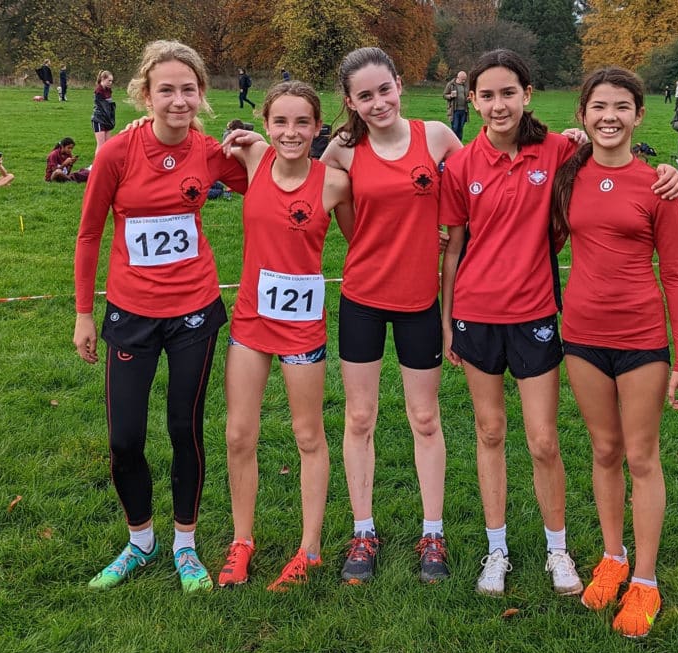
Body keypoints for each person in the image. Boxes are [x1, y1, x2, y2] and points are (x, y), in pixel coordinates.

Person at [438, 48, 678, 598]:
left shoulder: (560, 152)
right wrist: (447, 320)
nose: (498, 105)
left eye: (509, 93)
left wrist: (664, 169)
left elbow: (613, 165)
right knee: (490, 432)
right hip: (476, 316)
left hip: (538, 316)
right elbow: (452, 250)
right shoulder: (460, 165)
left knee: (545, 441)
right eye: (487, 95)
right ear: (472, 100)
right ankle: (495, 549)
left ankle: (558, 550)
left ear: (528, 95)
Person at [73, 39, 250, 593]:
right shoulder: (116, 154)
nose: (178, 100)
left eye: (188, 89)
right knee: (124, 437)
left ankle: (185, 543)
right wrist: (84, 313)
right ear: (145, 95)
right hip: (131, 312)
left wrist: (259, 148)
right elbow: (89, 235)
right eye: (166, 89)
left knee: (184, 428)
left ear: (202, 94)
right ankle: (139, 540)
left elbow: (271, 185)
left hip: (194, 309)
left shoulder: (208, 151)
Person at [550, 66, 678, 639]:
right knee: (604, 450)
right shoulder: (567, 175)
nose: (609, 116)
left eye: (621, 107)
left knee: (641, 456)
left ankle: (647, 582)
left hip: (642, 342)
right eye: (598, 107)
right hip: (582, 336)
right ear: (583, 115)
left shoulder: (658, 184)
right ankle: (613, 558)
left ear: (638, 115)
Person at [320, 47, 463, 585]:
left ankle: (433, 533)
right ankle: (364, 531)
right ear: (350, 102)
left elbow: (483, 183)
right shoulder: (343, 151)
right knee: (359, 418)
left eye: (385, 90)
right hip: (361, 298)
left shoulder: (437, 138)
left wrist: (567, 141)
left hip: (420, 302)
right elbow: (347, 222)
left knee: (425, 419)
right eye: (365, 96)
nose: (377, 102)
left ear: (399, 85)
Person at [216, 80, 354, 592]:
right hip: (250, 322)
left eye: (302, 123)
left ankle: (309, 548)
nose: (291, 132)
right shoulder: (253, 159)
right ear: (265, 125)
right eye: (281, 122)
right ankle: (242, 541)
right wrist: (144, 123)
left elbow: (366, 239)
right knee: (238, 434)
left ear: (318, 128)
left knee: (307, 435)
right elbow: (190, 149)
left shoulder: (335, 182)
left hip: (302, 328)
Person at [91, 70, 116, 156]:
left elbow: (109, 106)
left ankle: (106, 165)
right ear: (103, 79)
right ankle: (97, 166)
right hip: (99, 119)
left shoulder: (109, 90)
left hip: (107, 119)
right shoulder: (99, 90)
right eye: (109, 80)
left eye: (111, 81)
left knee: (107, 145)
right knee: (101, 145)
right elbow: (103, 107)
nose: (110, 82)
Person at [443, 70, 469, 140]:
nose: (464, 81)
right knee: (455, 127)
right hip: (454, 110)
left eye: (465, 79)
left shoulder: (465, 86)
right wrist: (450, 96)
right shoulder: (451, 85)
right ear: (458, 77)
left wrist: (469, 99)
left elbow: (467, 97)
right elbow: (444, 95)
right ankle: (452, 143)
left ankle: (459, 145)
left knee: (460, 128)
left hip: (464, 110)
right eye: (462, 79)